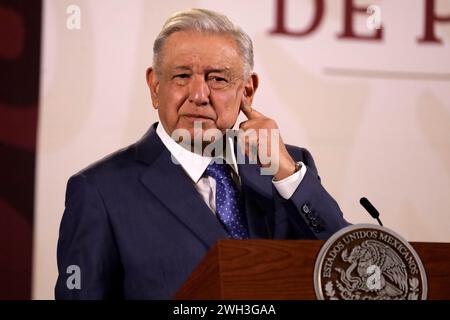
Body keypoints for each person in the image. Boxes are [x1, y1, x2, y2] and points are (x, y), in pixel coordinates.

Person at [55, 8, 349, 299]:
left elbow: (349, 268)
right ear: (155, 87)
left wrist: (286, 172)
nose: (198, 95)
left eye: (217, 79)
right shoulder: (100, 191)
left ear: (247, 91)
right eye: (182, 76)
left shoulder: (289, 170)